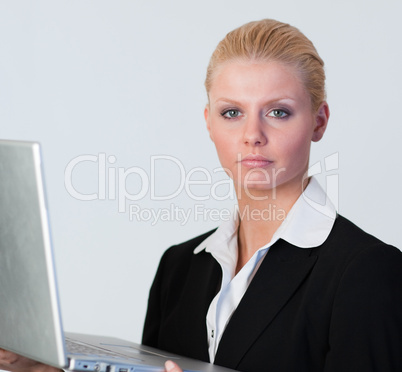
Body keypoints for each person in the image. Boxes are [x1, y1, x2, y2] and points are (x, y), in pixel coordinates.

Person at [1, 18, 402, 372]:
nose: (252, 135)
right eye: (232, 113)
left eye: (278, 111)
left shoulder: (368, 272)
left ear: (318, 121)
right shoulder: (178, 268)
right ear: (208, 122)